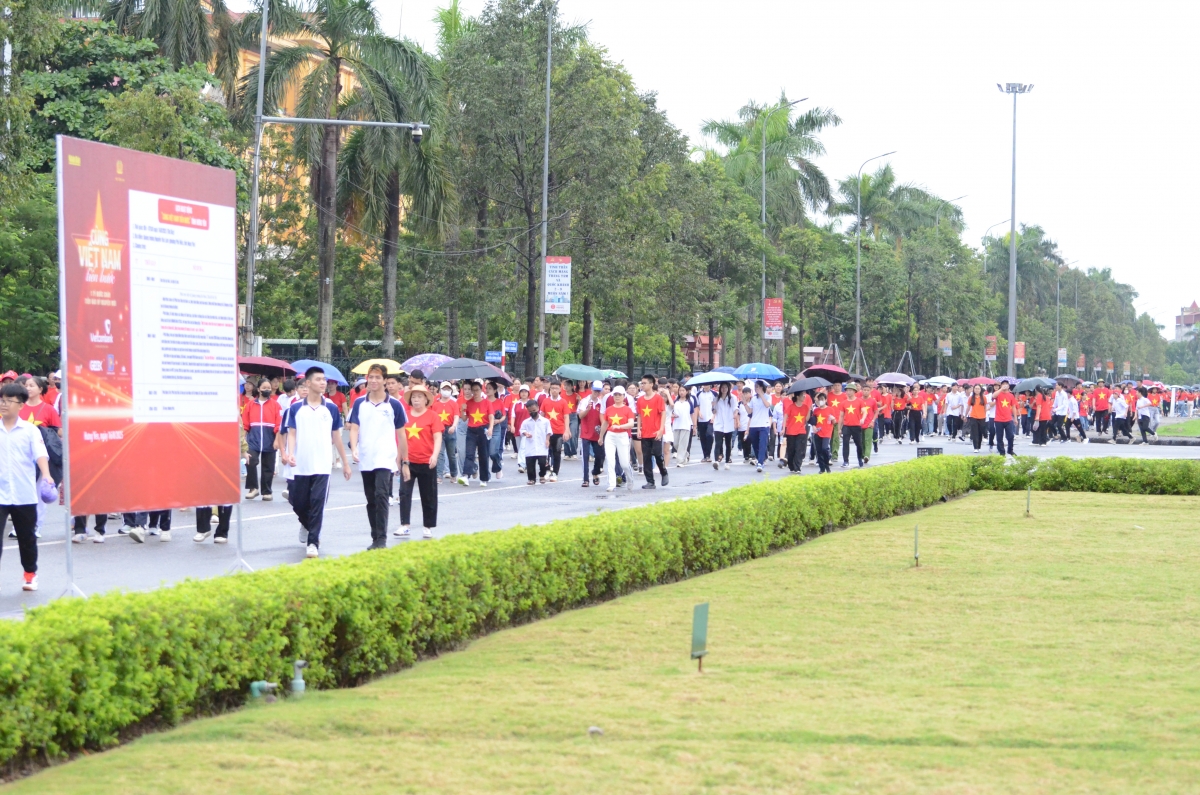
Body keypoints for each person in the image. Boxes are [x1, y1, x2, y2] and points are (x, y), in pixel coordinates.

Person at [284, 366, 352, 559]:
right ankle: (306, 525)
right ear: (307, 383)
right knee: (298, 502)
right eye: (318, 379)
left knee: (317, 503)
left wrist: (345, 463)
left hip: (322, 465)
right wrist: (290, 453)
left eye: (324, 380)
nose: (323, 383)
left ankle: (313, 542)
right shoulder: (296, 408)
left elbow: (337, 437)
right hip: (301, 465)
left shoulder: (330, 408)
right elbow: (292, 433)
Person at [348, 363, 409, 550]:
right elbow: (354, 428)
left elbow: (401, 435)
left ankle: (381, 540)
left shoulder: (394, 405)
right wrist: (354, 448)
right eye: (371, 377)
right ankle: (375, 537)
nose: (373, 381)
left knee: (381, 495)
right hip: (366, 457)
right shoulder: (360, 403)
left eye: (377, 377)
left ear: (384, 381)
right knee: (371, 499)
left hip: (385, 458)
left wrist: (404, 461)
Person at [0, 381, 53, 592]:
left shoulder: (30, 431)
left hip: (24, 494)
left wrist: (46, 475)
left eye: (9, 401)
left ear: (21, 405)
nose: (3, 404)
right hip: (1, 494)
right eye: (1, 400)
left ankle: (30, 574)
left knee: (27, 538)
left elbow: (41, 455)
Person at [397, 384, 441, 539]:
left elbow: (437, 437)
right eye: (414, 397)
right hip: (408, 461)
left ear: (426, 399)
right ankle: (405, 525)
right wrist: (399, 457)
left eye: (419, 397)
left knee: (428, 494)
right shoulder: (405, 416)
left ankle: (428, 526)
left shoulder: (432, 416)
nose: (416, 400)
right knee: (404, 492)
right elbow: (401, 438)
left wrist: (435, 455)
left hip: (427, 461)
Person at [242, 378, 281, 501]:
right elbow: (245, 424)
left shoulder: (276, 405)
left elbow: (279, 424)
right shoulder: (250, 405)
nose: (267, 390)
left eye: (268, 388)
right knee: (250, 461)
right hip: (253, 438)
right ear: (258, 389)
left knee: (268, 466)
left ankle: (267, 491)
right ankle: (253, 488)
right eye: (264, 388)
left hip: (270, 438)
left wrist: (277, 440)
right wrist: (243, 439)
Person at [635, 374, 668, 488]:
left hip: (656, 432)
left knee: (658, 454)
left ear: (651, 384)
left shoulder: (658, 398)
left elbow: (663, 413)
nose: (642, 385)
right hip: (645, 432)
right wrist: (639, 429)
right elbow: (639, 415)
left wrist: (661, 429)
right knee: (646, 457)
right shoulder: (640, 400)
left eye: (644, 383)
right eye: (642, 383)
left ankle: (664, 472)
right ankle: (650, 481)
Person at [458, 380, 493, 488]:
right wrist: (462, 409)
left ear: (481, 390)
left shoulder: (487, 402)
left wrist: (491, 428)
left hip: (483, 429)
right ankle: (466, 475)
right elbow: (464, 418)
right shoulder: (468, 403)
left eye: (477, 390)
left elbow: (491, 416)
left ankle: (484, 478)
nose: (475, 392)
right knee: (469, 453)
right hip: (471, 430)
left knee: (483, 455)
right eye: (473, 390)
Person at [600, 386, 635, 493]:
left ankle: (630, 479)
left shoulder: (627, 409)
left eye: (619, 395)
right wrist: (601, 436)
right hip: (610, 436)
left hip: (622, 435)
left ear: (624, 396)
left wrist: (620, 427)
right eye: (615, 395)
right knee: (610, 461)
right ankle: (611, 484)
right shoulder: (609, 409)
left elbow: (631, 423)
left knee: (624, 463)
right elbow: (605, 423)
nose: (617, 397)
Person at [577, 381, 606, 487]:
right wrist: (587, 409)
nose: (596, 393)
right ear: (591, 389)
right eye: (595, 390)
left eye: (598, 391)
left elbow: (604, 417)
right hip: (586, 432)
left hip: (597, 433)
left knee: (600, 455)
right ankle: (585, 479)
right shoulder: (585, 401)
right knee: (585, 457)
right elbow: (580, 416)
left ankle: (595, 472)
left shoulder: (601, 403)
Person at [541, 380, 570, 482]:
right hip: (547, 432)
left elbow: (566, 417)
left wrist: (567, 430)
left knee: (556, 452)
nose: (554, 390)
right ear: (550, 389)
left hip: (559, 430)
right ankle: (547, 470)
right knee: (546, 452)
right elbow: (542, 415)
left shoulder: (563, 402)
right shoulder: (545, 401)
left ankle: (555, 473)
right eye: (552, 388)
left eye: (556, 388)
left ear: (560, 390)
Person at [519, 399, 552, 484]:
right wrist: (526, 433)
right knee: (530, 463)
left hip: (542, 445)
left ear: (538, 408)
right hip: (530, 445)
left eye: (534, 410)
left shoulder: (545, 421)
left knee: (542, 462)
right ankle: (531, 478)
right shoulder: (526, 422)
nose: (532, 412)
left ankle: (542, 475)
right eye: (530, 411)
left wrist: (547, 440)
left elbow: (548, 431)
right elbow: (522, 430)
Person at [782, 388, 811, 473]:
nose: (804, 396)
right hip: (791, 431)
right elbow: (785, 417)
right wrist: (783, 428)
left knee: (799, 449)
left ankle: (797, 467)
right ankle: (791, 465)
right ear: (797, 396)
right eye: (802, 395)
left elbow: (807, 419)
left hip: (801, 431)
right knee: (791, 450)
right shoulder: (791, 406)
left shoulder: (805, 407)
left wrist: (809, 410)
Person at [711, 382, 738, 471]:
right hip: (718, 424)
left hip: (728, 423)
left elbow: (735, 408)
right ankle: (716, 461)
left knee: (728, 444)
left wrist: (735, 415)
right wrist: (713, 407)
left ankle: (727, 462)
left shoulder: (732, 398)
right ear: (720, 388)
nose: (724, 389)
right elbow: (714, 411)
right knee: (718, 443)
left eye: (726, 387)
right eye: (722, 387)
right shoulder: (716, 398)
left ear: (728, 388)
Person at [485, 380, 508, 481]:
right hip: (485, 428)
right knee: (484, 453)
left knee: (493, 451)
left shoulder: (499, 402)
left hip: (496, 428)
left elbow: (504, 415)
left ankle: (498, 467)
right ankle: (486, 474)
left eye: (490, 388)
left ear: (495, 390)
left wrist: (498, 421)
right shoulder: (483, 401)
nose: (487, 390)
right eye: (486, 388)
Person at [839, 382, 865, 468]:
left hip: (856, 425)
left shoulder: (859, 401)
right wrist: (839, 428)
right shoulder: (843, 403)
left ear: (854, 391)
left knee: (859, 444)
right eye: (847, 390)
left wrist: (863, 419)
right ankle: (845, 461)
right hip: (846, 425)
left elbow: (864, 411)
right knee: (845, 443)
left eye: (850, 390)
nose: (848, 392)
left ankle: (860, 459)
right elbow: (841, 416)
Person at [811, 391, 835, 473]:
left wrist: (833, 419)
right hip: (818, 432)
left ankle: (827, 465)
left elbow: (834, 422)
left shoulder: (830, 409)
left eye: (822, 399)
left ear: (825, 400)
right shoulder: (816, 410)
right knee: (818, 451)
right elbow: (813, 421)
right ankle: (822, 468)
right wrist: (814, 427)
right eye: (819, 399)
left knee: (825, 448)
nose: (821, 401)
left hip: (827, 432)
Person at [670, 384, 693, 468]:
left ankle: (680, 461)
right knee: (675, 444)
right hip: (676, 425)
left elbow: (692, 414)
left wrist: (694, 425)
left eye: (683, 390)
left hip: (686, 425)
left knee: (682, 444)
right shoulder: (675, 402)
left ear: (686, 392)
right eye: (680, 390)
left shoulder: (689, 402)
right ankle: (685, 454)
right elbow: (670, 411)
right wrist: (673, 415)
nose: (681, 392)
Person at [993, 381, 1017, 456]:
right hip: (998, 419)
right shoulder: (998, 394)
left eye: (1006, 384)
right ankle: (1002, 452)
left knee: (1011, 436)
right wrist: (1001, 389)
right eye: (1003, 384)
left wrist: (1015, 418)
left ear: (1009, 386)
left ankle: (1010, 450)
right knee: (999, 437)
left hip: (1008, 419)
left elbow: (1014, 407)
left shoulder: (1011, 395)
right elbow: (993, 396)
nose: (1005, 386)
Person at [696, 383, 715, 462]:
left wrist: (714, 416)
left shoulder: (714, 394)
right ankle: (705, 455)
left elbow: (716, 406)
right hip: (701, 419)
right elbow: (696, 405)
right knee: (702, 437)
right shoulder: (698, 394)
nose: (706, 386)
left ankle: (708, 454)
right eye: (704, 384)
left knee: (709, 435)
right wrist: (699, 412)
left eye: (707, 384)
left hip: (710, 418)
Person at [965, 384, 987, 452]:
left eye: (978, 389)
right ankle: (975, 447)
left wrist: (985, 415)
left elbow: (985, 407)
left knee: (980, 432)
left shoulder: (984, 397)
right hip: (973, 416)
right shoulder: (971, 398)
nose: (977, 390)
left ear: (980, 390)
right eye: (976, 388)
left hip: (982, 417)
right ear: (973, 390)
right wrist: (965, 415)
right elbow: (968, 407)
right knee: (975, 432)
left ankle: (978, 446)